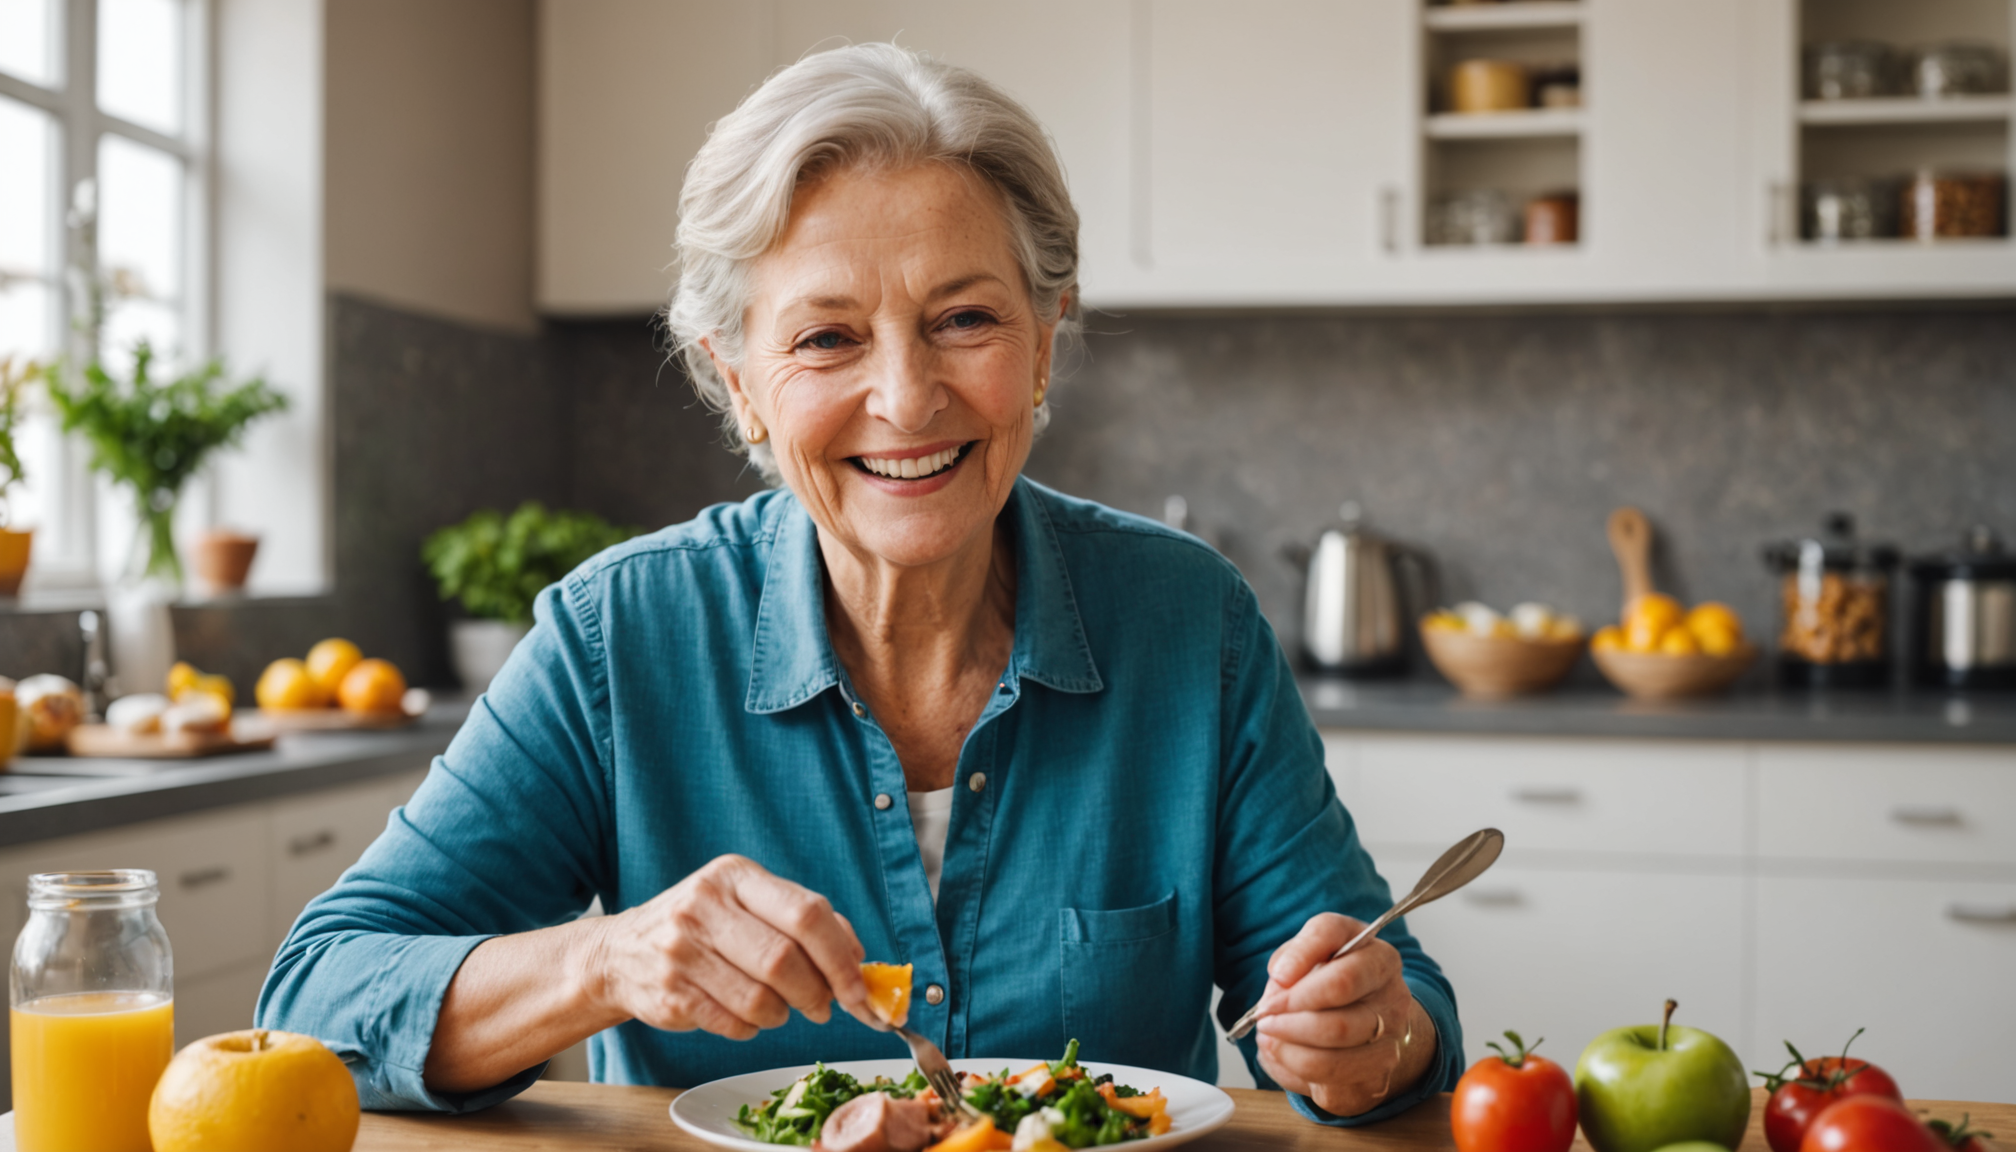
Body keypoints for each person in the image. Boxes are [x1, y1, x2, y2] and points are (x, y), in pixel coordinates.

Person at [258, 42, 1463, 1127]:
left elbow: (1401, 1010)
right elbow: (318, 998)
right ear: (737, 381)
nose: (906, 399)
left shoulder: (1191, 624)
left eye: (965, 319)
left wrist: (1371, 1035)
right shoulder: (619, 636)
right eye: (827, 338)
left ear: (1046, 340)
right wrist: (605, 964)